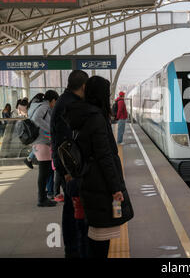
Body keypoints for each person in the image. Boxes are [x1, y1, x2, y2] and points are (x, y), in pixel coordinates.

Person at [64, 76, 134, 258]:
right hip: (100, 184)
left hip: (88, 180)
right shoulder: (96, 118)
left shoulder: (81, 115)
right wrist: (115, 188)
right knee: (100, 238)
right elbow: (105, 157)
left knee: (92, 234)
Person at [50, 70, 89, 258]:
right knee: (72, 210)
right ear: (83, 86)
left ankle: (74, 248)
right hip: (69, 168)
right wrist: (67, 171)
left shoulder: (64, 101)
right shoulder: (69, 105)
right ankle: (74, 250)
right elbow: (65, 141)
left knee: (72, 207)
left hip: (66, 166)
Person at [28, 90, 59, 207]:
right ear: (53, 100)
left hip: (38, 142)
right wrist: (51, 129)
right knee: (44, 172)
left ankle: (43, 196)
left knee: (44, 172)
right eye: (55, 102)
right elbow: (36, 119)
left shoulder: (37, 105)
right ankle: (42, 199)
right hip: (42, 142)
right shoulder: (44, 106)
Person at [24, 94, 45, 170]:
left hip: (32, 129)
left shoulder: (32, 105)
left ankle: (29, 159)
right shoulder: (37, 106)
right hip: (36, 129)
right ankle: (29, 159)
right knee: (38, 145)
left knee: (37, 145)